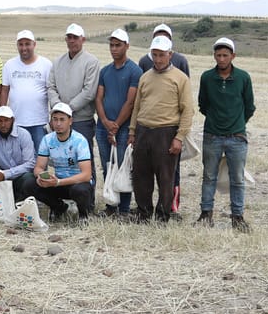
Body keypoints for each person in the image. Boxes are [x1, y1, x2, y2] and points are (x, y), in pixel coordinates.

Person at [128, 36, 194, 223]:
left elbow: (187, 110)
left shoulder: (180, 79)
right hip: (143, 131)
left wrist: (179, 137)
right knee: (141, 176)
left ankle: (163, 214)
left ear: (170, 55)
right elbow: (137, 106)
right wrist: (132, 131)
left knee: (166, 177)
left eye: (161, 55)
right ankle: (143, 212)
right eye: (154, 55)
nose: (157, 59)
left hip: (166, 132)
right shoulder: (145, 77)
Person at [197, 37, 255, 232]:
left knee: (237, 179)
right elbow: (203, 105)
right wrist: (216, 120)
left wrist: (237, 123)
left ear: (233, 56)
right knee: (208, 176)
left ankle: (237, 217)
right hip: (212, 135)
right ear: (214, 55)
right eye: (218, 55)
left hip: (237, 137)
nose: (221, 59)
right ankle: (206, 214)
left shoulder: (243, 78)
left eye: (225, 55)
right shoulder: (206, 77)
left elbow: (249, 107)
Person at [95, 29, 142, 217]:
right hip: (103, 127)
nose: (114, 49)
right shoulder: (105, 71)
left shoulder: (135, 70)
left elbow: (130, 102)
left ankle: (123, 209)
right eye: (111, 45)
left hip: (123, 128)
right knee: (108, 166)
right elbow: (98, 98)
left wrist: (115, 125)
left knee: (123, 167)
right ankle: (110, 205)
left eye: (118, 45)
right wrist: (105, 122)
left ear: (127, 46)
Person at [29, 102, 95, 221]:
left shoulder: (80, 140)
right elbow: (38, 167)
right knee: (30, 183)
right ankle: (59, 207)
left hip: (76, 182)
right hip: (57, 182)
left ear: (70, 121)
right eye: (55, 119)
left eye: (62, 119)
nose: (58, 124)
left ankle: (83, 215)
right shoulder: (47, 140)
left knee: (81, 190)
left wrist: (58, 182)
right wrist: (42, 176)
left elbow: (86, 175)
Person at [47, 23, 99, 165]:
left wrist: (66, 110)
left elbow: (89, 92)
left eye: (75, 37)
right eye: (69, 37)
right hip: (60, 121)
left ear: (83, 39)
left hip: (81, 121)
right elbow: (51, 87)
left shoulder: (91, 62)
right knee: (64, 160)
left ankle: (88, 187)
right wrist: (58, 108)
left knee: (84, 160)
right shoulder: (57, 62)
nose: (72, 40)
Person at [0, 29, 52, 149]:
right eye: (21, 44)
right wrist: (3, 115)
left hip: (39, 123)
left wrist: (52, 117)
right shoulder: (9, 65)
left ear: (34, 44)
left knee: (40, 157)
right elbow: (4, 90)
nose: (24, 48)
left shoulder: (46, 64)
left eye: (27, 44)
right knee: (19, 157)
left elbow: (51, 91)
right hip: (16, 122)